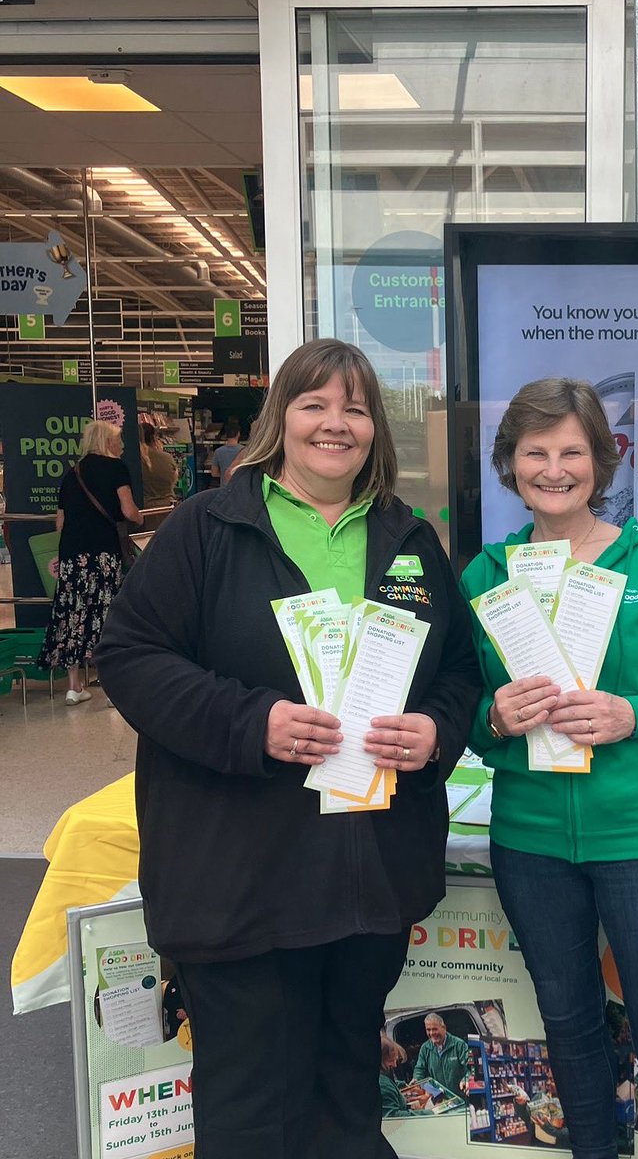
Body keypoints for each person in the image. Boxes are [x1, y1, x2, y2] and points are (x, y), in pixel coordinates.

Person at [95, 338, 482, 1159]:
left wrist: (438, 731)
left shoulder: (407, 537)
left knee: (348, 1099)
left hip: (366, 880)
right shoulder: (210, 527)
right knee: (251, 1118)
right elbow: (130, 657)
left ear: (376, 428)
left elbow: (458, 672)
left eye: (354, 408)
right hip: (242, 882)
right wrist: (252, 723)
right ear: (282, 419)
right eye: (314, 404)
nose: (334, 424)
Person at [460, 377, 638, 1159]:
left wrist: (633, 713)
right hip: (531, 842)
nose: (554, 469)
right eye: (535, 452)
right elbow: (467, 713)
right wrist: (492, 719)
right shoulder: (485, 577)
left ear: (603, 463)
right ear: (509, 464)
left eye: (573, 452)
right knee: (571, 1029)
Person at [38, 419, 143, 705]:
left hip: (73, 554)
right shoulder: (116, 469)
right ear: (108, 442)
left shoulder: (73, 473)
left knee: (73, 614)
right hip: (102, 554)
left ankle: (74, 686)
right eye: (118, 440)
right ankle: (110, 689)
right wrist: (139, 517)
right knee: (106, 614)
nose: (121, 445)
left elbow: (61, 521)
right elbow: (128, 510)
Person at [412, 1012, 471, 1091]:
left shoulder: (459, 1045)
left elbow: (470, 1067)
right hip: (439, 1098)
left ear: (444, 1028)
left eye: (435, 1029)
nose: (432, 1033)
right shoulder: (425, 1048)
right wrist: (416, 1079)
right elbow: (420, 1069)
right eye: (428, 1030)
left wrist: (466, 1079)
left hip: (460, 1098)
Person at [139, 422, 177, 510]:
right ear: (154, 437)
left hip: (145, 509)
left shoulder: (135, 460)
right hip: (168, 507)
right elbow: (174, 480)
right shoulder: (167, 457)